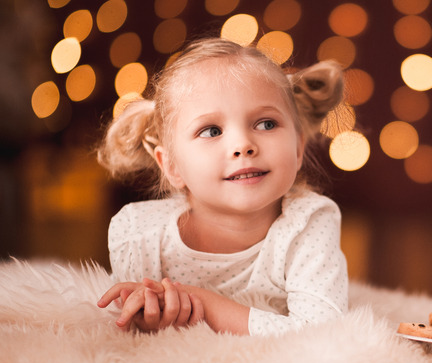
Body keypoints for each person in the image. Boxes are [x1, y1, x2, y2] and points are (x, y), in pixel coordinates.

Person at [95, 37, 348, 336]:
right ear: (172, 166)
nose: (243, 145)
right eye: (211, 131)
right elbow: (128, 331)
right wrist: (149, 317)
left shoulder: (308, 223)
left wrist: (205, 304)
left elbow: (322, 333)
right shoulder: (140, 235)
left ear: (297, 149)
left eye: (266, 124)